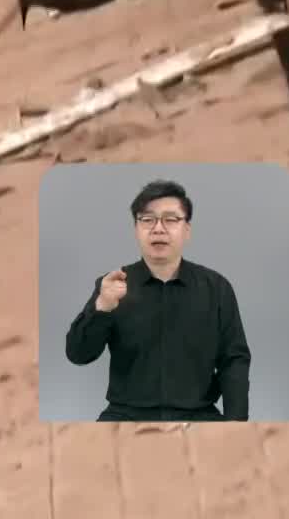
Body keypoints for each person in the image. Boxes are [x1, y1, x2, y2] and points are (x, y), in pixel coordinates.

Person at [64, 179, 251, 421]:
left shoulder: (216, 288)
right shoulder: (113, 284)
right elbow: (78, 355)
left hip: (198, 415)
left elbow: (234, 360)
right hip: (126, 415)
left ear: (187, 230)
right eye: (147, 219)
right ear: (136, 229)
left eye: (170, 219)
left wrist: (235, 423)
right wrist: (102, 308)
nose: (158, 229)